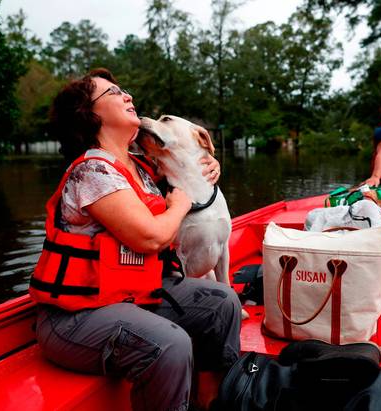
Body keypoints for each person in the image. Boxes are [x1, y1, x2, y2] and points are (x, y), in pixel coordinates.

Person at [28, 68, 242, 411]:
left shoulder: (141, 168)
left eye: (124, 90)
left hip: (129, 296)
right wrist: (180, 204)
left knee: (224, 301)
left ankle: (214, 400)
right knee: (170, 343)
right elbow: (151, 237)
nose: (127, 95)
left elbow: (185, 162)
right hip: (74, 317)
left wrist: (209, 161)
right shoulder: (92, 172)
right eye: (113, 93)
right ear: (90, 114)